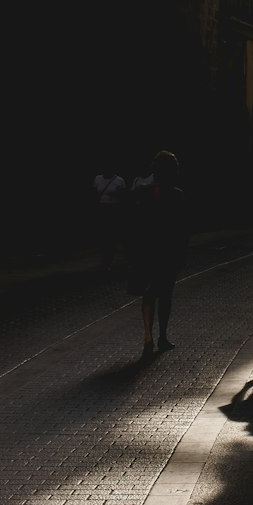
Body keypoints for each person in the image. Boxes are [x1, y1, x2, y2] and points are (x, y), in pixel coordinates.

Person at [128, 150, 190, 358]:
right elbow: (182, 229)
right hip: (167, 252)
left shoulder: (142, 193)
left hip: (147, 250)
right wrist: (182, 253)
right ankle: (162, 336)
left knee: (148, 293)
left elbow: (135, 225)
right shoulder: (177, 194)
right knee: (165, 295)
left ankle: (148, 335)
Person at [91, 160, 128, 269]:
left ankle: (108, 258)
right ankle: (106, 255)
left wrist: (117, 194)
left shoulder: (119, 180)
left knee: (110, 235)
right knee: (103, 234)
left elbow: (124, 197)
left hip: (113, 209)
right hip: (102, 208)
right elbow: (93, 193)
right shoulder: (97, 178)